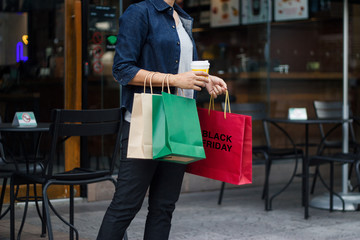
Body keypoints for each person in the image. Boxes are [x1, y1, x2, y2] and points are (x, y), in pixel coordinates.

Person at [97, 0, 227, 239]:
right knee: (126, 206)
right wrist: (174, 80)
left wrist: (206, 80)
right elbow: (122, 70)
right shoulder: (139, 12)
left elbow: (183, 68)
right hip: (147, 120)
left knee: (164, 207)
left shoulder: (181, 16)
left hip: (179, 119)